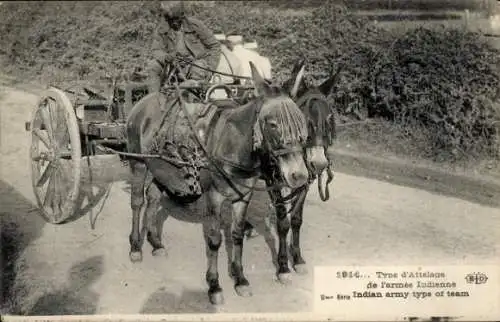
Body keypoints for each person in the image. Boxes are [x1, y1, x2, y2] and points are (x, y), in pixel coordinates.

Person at [147, 1, 222, 93]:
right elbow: (156, 50)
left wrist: (210, 68)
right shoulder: (162, 29)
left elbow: (215, 46)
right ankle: (154, 100)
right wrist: (166, 57)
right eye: (170, 19)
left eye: (176, 19)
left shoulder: (195, 26)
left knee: (199, 68)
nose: (173, 23)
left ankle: (193, 100)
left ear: (182, 16)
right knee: (153, 66)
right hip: (171, 66)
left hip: (194, 65)